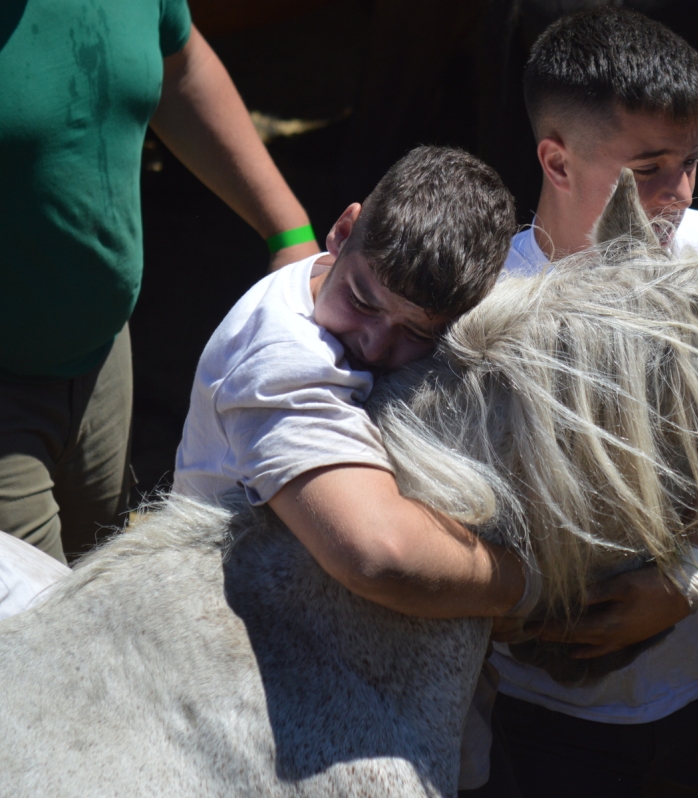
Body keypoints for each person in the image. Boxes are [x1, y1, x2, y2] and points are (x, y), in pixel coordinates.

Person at [470, 9, 698, 796]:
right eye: (649, 169)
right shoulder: (486, 300)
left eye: (692, 162)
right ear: (556, 162)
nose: (677, 195)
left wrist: (689, 578)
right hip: (536, 717)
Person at [0, 0, 320, 564]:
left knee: (99, 581)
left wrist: (287, 229)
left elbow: (176, 63)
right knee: (37, 627)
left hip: (102, 358)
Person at [172, 146, 531, 627]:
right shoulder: (280, 363)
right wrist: (529, 586)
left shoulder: (337, 276)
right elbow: (375, 554)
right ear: (342, 232)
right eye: (363, 301)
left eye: (418, 332)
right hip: (215, 626)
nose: (376, 345)